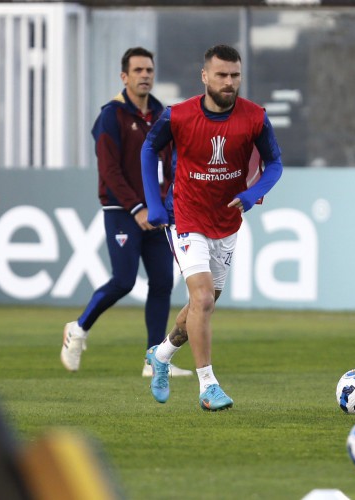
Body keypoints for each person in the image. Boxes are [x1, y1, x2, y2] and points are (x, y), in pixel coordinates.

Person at [141, 44, 283, 411]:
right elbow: (148, 150)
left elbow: (275, 164)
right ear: (205, 76)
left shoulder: (255, 118)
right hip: (186, 216)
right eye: (221, 75)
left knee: (202, 305)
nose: (229, 82)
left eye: (235, 75)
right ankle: (208, 386)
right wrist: (155, 204)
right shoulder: (178, 116)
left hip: (227, 221)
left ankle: (162, 354)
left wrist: (254, 194)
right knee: (202, 298)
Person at [60, 47, 192, 378]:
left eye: (149, 69)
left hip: (157, 211)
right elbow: (109, 169)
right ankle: (77, 329)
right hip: (122, 209)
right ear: (124, 76)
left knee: (162, 282)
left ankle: (154, 361)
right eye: (138, 70)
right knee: (124, 280)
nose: (145, 75)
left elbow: (170, 162)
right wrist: (136, 206)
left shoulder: (162, 113)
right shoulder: (112, 115)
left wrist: (162, 204)